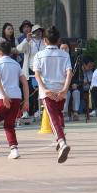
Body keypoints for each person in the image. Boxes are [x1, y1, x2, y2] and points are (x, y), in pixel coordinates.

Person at [33, 26, 72, 163]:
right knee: (59, 114)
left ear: (45, 40)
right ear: (58, 40)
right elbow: (69, 73)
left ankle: (62, 142)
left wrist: (44, 89)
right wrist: (65, 89)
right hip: (61, 89)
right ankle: (61, 139)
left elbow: (37, 74)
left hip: (48, 91)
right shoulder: (65, 54)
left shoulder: (39, 55)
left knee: (53, 118)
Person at [0, 41, 29, 159]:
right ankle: (14, 149)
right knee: (9, 125)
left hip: (2, 97)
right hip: (16, 97)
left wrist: (4, 95)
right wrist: (26, 100)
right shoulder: (16, 64)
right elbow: (24, 83)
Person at [17, 24, 45, 120]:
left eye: (40, 31)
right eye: (36, 31)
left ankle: (37, 110)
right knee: (28, 91)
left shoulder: (44, 41)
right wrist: (27, 39)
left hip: (41, 70)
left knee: (39, 92)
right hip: (29, 70)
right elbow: (19, 49)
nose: (38, 33)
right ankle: (26, 111)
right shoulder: (29, 42)